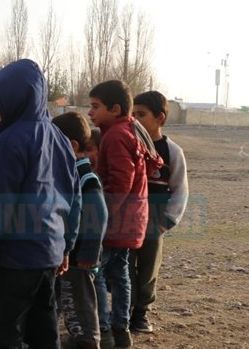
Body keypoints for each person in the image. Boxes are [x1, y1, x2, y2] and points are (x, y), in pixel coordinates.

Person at [0, 59, 81, 349]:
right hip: (49, 256)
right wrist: (66, 246)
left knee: (6, 333)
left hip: (13, 259)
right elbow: (73, 197)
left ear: (17, 99)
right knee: (44, 330)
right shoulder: (60, 139)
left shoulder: (9, 142)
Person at [87, 80, 162, 349]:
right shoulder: (131, 129)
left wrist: (100, 216)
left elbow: (120, 181)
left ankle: (104, 330)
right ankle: (121, 331)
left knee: (94, 272)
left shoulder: (117, 135)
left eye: (95, 107)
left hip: (116, 221)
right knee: (120, 275)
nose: (90, 113)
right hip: (131, 219)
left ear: (115, 108)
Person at [128, 91, 189, 334]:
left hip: (154, 222)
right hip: (125, 220)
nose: (135, 120)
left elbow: (180, 189)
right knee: (122, 266)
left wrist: (167, 221)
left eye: (141, 115)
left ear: (160, 118)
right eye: (132, 114)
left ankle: (141, 313)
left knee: (148, 268)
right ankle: (123, 309)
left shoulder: (172, 151)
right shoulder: (127, 145)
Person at [52, 112, 109, 349]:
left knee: (80, 301)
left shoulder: (86, 177)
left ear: (72, 145)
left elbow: (99, 215)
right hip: (66, 253)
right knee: (64, 297)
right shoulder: (69, 172)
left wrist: (88, 254)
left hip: (79, 257)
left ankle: (88, 340)